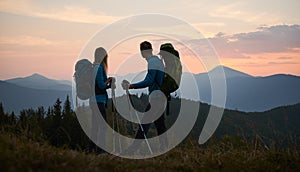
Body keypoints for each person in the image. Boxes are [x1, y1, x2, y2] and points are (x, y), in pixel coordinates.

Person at [122, 41, 168, 153]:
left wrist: (131, 86)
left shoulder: (152, 62)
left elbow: (149, 80)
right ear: (151, 50)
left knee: (144, 124)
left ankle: (132, 150)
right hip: (162, 97)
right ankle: (164, 148)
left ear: (142, 52)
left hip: (156, 98)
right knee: (160, 124)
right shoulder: (158, 61)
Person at [89, 47, 114, 154]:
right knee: (103, 126)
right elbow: (101, 85)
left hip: (94, 100)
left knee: (95, 127)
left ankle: (91, 150)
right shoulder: (98, 68)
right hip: (98, 101)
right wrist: (108, 82)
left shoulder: (94, 67)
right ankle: (101, 151)